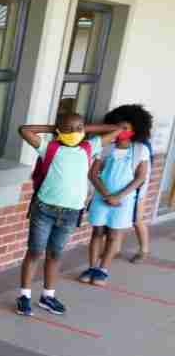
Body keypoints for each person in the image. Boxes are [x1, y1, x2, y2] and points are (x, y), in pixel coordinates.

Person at [16, 113, 120, 316]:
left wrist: (83, 129)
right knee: (35, 252)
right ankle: (24, 296)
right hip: (44, 209)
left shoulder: (89, 148)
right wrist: (54, 128)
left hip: (71, 213)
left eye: (78, 128)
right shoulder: (49, 148)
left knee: (55, 254)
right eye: (69, 129)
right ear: (59, 131)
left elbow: (116, 130)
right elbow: (24, 130)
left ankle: (48, 296)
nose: (74, 132)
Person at [79, 124, 150, 285]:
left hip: (124, 200)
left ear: (134, 130)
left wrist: (118, 196)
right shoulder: (106, 148)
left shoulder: (139, 150)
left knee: (113, 235)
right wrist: (106, 195)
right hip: (101, 197)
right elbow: (93, 174)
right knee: (97, 232)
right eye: (119, 127)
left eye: (126, 127)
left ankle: (102, 270)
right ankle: (92, 267)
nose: (122, 130)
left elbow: (140, 177)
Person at [103, 104, 155, 263]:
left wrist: (138, 193)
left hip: (136, 190)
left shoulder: (141, 147)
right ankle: (115, 249)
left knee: (136, 219)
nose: (120, 130)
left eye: (124, 127)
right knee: (117, 220)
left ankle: (144, 249)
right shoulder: (114, 145)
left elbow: (143, 174)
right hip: (119, 187)